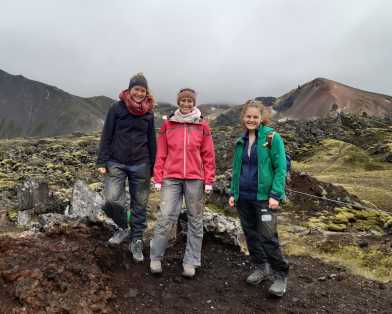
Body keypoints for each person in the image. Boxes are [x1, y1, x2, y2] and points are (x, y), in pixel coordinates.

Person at [150, 88, 215, 278]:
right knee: (165, 216)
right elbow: (161, 152)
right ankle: (156, 256)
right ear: (178, 102)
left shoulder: (202, 125)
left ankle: (191, 261)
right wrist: (158, 177)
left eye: (190, 101)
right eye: (183, 101)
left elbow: (208, 154)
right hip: (171, 177)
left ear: (194, 103)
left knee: (195, 219)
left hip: (195, 178)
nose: (186, 104)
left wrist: (209, 179)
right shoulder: (168, 125)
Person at [228, 100, 289, 297]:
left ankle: (280, 275)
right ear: (243, 117)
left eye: (255, 117)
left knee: (268, 237)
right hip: (244, 197)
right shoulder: (241, 141)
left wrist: (275, 194)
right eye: (248, 116)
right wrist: (232, 193)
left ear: (262, 118)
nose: (251, 120)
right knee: (251, 235)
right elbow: (237, 170)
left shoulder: (272, 137)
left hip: (264, 198)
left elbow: (281, 168)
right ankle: (261, 267)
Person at [96, 73, 156, 262]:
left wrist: (154, 168)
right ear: (130, 90)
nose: (139, 93)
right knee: (112, 200)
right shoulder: (116, 108)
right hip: (116, 161)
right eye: (136, 89)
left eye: (142, 90)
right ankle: (123, 227)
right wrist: (101, 161)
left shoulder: (148, 112)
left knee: (140, 205)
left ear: (146, 92)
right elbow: (107, 134)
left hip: (141, 163)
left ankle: (136, 240)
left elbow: (152, 140)